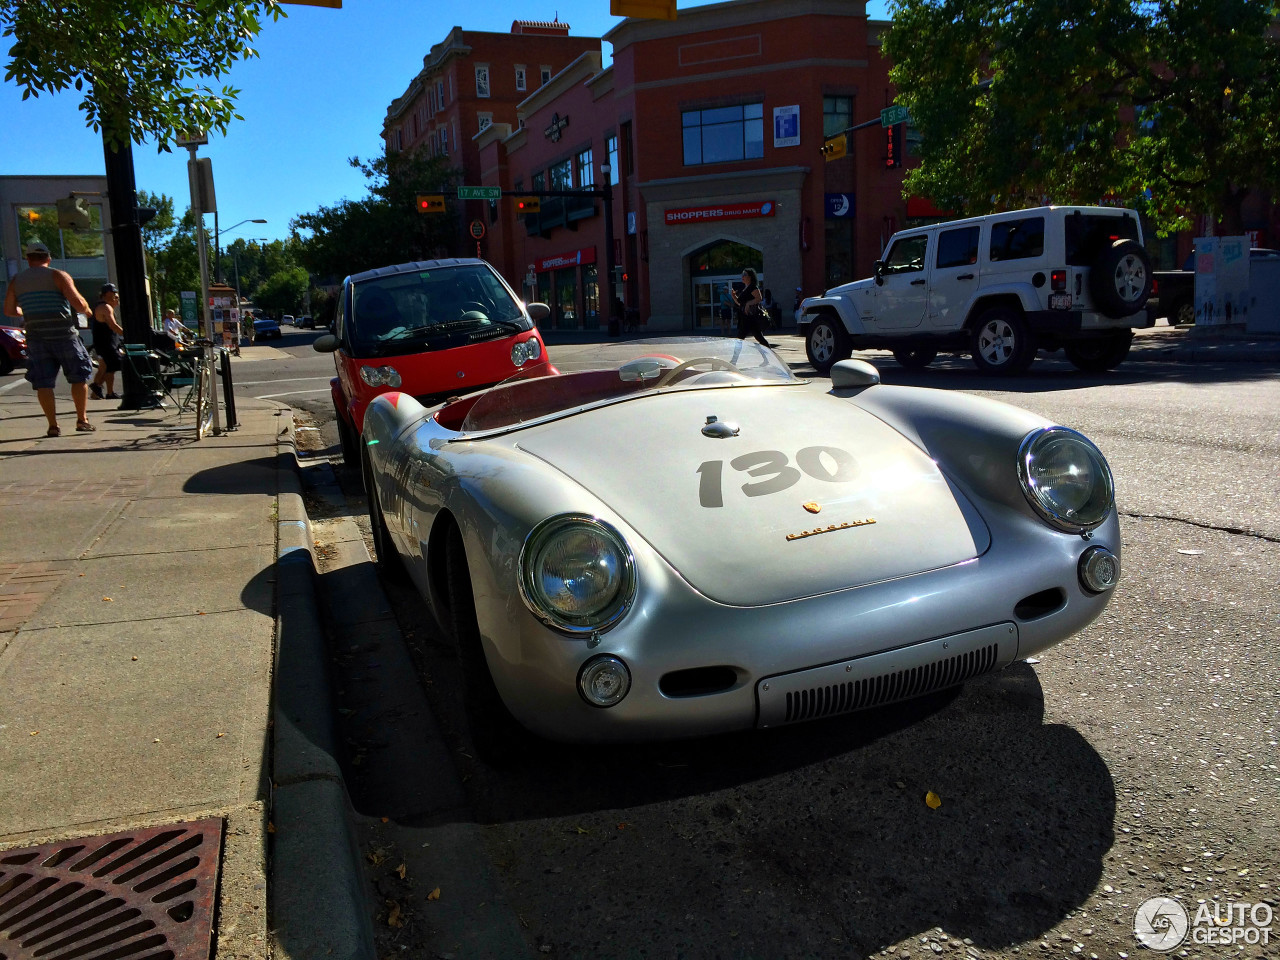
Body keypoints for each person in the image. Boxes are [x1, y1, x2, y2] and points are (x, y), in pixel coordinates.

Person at [2, 240, 95, 435]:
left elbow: (10, 310)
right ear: (48, 258)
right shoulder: (58, 275)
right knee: (78, 377)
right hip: (63, 334)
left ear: (28, 259)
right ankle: (81, 420)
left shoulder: (17, 281)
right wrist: (87, 310)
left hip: (36, 336)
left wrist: (26, 310)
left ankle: (53, 425)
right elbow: (77, 303)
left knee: (43, 382)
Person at [89, 283, 124, 400]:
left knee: (107, 368)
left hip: (105, 342)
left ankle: (106, 393)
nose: (115, 295)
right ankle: (96, 386)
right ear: (106, 294)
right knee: (116, 363)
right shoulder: (105, 307)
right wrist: (126, 334)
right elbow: (113, 325)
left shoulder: (105, 306)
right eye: (113, 293)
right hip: (106, 343)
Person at [732, 267, 773, 347]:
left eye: (745, 275)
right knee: (759, 337)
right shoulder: (746, 288)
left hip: (750, 317)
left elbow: (759, 298)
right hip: (745, 317)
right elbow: (740, 304)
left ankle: (735, 357)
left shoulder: (753, 287)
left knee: (740, 339)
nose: (742, 276)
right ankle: (769, 353)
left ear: (750, 277)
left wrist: (748, 303)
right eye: (742, 274)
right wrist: (734, 296)